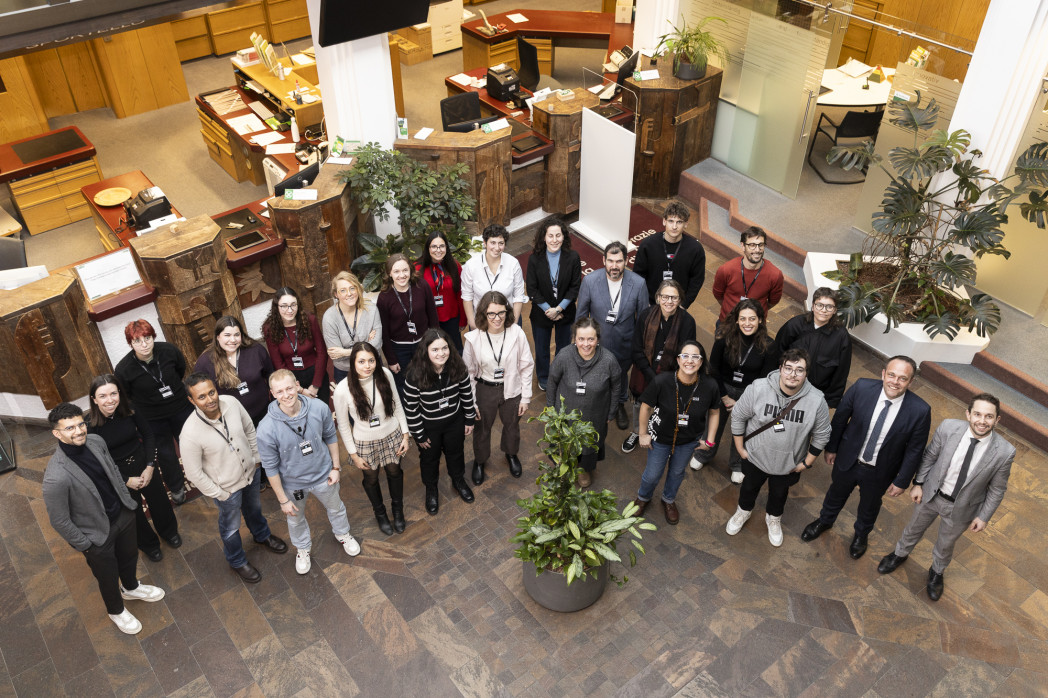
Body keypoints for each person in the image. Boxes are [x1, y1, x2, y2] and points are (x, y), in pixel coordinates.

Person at [877, 393, 1015, 602]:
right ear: (968, 414)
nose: (982, 421)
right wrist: (918, 483)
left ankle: (936, 573)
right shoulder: (949, 427)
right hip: (931, 494)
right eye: (977, 414)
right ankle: (899, 554)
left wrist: (983, 516)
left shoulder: (1005, 452)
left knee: (945, 544)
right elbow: (930, 456)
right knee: (913, 527)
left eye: (988, 417)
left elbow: (997, 489)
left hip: (962, 507)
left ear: (997, 420)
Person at [43, 403, 166, 635]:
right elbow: (59, 520)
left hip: (122, 515)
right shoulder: (56, 476)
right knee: (107, 576)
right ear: (56, 433)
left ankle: (130, 587)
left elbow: (113, 473)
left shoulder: (96, 442)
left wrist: (127, 506)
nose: (79, 431)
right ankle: (116, 610)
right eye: (70, 428)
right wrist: (87, 545)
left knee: (129, 557)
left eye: (80, 424)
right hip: (96, 535)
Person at [801, 356, 931, 559]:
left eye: (902, 378)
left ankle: (861, 535)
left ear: (911, 382)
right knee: (835, 493)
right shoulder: (862, 387)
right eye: (891, 375)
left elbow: (915, 449)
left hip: (880, 471)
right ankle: (824, 521)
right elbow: (841, 417)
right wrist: (832, 448)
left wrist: (902, 480)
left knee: (869, 506)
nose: (895, 382)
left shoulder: (920, 411)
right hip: (848, 459)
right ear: (883, 374)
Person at [179, 373, 288, 583]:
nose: (210, 399)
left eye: (212, 392)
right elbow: (194, 473)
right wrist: (220, 493)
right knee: (230, 527)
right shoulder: (189, 433)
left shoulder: (231, 402)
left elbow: (249, 430)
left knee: (254, 509)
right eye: (201, 397)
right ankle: (237, 560)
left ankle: (261, 535)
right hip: (227, 489)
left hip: (251, 473)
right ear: (191, 401)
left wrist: (257, 460)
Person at [257, 370, 361, 575]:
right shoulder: (266, 428)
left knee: (336, 508)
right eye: (279, 391)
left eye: (289, 388)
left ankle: (343, 534)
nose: (286, 395)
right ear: (272, 393)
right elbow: (270, 468)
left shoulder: (318, 407)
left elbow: (331, 436)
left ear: (297, 385)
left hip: (324, 476)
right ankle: (303, 549)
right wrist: (282, 500)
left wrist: (336, 467)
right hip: (293, 485)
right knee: (295, 519)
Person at [725, 349, 832, 546]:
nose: (793, 374)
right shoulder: (758, 388)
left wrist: (806, 463)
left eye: (799, 370)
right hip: (754, 456)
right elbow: (739, 415)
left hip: (788, 464)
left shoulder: (816, 401)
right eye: (788, 368)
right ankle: (743, 511)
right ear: (780, 369)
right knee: (748, 487)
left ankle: (773, 518)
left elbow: (823, 433)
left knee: (779, 494)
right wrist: (740, 449)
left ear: (806, 373)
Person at [87, 375, 180, 564]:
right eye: (103, 396)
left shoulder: (130, 409)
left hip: (143, 464)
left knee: (160, 502)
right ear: (94, 400)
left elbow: (148, 436)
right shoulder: (89, 427)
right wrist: (125, 480)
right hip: (118, 474)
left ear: (120, 393)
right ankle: (149, 545)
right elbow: (99, 461)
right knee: (134, 514)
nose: (110, 400)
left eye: (113, 393)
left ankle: (169, 532)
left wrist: (150, 466)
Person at [632, 340, 720, 525]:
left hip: (688, 441)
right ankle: (643, 497)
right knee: (652, 474)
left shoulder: (710, 385)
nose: (690, 361)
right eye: (685, 356)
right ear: (678, 360)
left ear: (701, 362)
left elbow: (714, 412)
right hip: (660, 439)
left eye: (695, 357)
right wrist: (642, 433)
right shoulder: (662, 381)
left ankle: (668, 500)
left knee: (677, 473)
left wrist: (710, 440)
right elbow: (646, 407)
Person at [691, 299, 779, 482]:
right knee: (713, 422)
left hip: (751, 393)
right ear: (737, 320)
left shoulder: (769, 345)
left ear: (760, 320)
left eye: (752, 319)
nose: (747, 323)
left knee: (744, 429)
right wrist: (724, 396)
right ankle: (703, 454)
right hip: (722, 388)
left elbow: (765, 380)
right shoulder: (724, 337)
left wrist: (743, 402)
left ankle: (737, 464)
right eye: (743, 319)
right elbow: (713, 368)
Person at [332, 343, 411, 534]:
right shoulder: (343, 389)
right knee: (371, 478)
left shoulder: (385, 374)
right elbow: (343, 425)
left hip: (392, 434)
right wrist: (354, 455)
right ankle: (380, 513)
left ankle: (397, 510)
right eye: (361, 361)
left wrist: (406, 434)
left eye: (371, 360)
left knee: (395, 472)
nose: (367, 365)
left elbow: (397, 405)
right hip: (364, 442)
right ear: (353, 363)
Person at [114, 319, 190, 504]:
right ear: (130, 344)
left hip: (180, 407)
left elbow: (180, 369)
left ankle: (205, 474)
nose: (144, 344)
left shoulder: (168, 350)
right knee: (165, 453)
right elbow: (126, 395)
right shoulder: (124, 369)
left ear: (153, 337)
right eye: (137, 341)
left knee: (191, 443)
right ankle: (176, 486)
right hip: (153, 417)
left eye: (147, 338)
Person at [576, 241, 649, 431]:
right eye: (610, 261)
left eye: (618, 261)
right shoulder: (590, 281)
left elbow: (643, 319)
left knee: (620, 377)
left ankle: (618, 405)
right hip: (596, 344)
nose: (614, 266)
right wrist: (579, 343)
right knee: (595, 376)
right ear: (603, 260)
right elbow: (582, 316)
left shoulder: (639, 283)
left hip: (625, 344)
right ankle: (595, 405)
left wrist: (640, 347)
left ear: (626, 261)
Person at [463, 291, 534, 484]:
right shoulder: (473, 338)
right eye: (491, 314)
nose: (497, 318)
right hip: (484, 389)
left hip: (512, 387)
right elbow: (467, 373)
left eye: (501, 313)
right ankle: (480, 461)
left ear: (507, 312)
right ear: (483, 314)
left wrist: (526, 397)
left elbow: (527, 366)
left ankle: (511, 454)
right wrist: (471, 403)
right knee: (482, 428)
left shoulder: (517, 333)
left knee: (512, 425)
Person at [403, 329, 477, 513]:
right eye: (435, 349)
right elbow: (411, 408)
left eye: (444, 348)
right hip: (429, 428)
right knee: (429, 460)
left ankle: (458, 480)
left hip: (454, 422)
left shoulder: (458, 366)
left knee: (456, 453)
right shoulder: (414, 375)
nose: (441, 353)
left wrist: (469, 419)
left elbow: (466, 394)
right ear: (425, 351)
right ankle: (431, 489)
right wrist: (419, 434)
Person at [622, 280, 696, 454]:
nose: (669, 301)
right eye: (665, 296)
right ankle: (637, 432)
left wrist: (665, 380)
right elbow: (636, 349)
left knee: (667, 408)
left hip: (671, 376)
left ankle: (660, 436)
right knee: (640, 405)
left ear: (680, 300)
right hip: (644, 373)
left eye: (674, 297)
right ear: (657, 297)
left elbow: (687, 355)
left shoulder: (687, 322)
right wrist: (651, 376)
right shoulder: (646, 315)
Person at [547, 318, 622, 488]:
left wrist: (611, 412)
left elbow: (617, 387)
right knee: (565, 445)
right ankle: (566, 466)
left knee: (588, 448)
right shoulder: (564, 356)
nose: (586, 344)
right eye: (581, 339)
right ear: (575, 339)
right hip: (565, 416)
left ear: (598, 339)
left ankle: (583, 470)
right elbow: (552, 382)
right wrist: (551, 409)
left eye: (591, 339)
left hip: (594, 417)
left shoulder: (609, 361)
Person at [526, 215, 582, 391]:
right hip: (541, 313)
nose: (554, 240)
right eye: (550, 235)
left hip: (565, 312)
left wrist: (559, 309)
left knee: (563, 349)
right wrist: (548, 310)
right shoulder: (534, 259)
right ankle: (543, 377)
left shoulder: (573, 257)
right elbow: (532, 289)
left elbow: (575, 287)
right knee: (541, 350)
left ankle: (559, 375)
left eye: (558, 235)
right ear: (544, 237)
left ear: (564, 236)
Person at [774, 288, 851, 408]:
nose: (823, 310)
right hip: (787, 386)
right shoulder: (795, 325)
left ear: (835, 310)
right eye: (819, 305)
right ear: (813, 306)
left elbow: (841, 372)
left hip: (814, 394)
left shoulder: (841, 336)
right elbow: (777, 352)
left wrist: (831, 401)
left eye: (829, 307)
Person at [377, 253, 439, 399]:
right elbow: (384, 332)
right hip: (400, 349)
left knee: (429, 379)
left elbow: (433, 316)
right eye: (396, 271)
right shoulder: (384, 297)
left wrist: (436, 343)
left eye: (405, 270)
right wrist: (391, 360)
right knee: (404, 386)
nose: (402, 275)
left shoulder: (421, 286)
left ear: (411, 270)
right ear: (389, 274)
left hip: (424, 343)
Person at [194, 316, 274, 426]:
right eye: (227, 335)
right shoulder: (205, 362)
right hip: (232, 420)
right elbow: (200, 393)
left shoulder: (256, 350)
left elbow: (271, 375)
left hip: (265, 414)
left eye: (237, 335)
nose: (233, 340)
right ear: (218, 337)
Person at [632, 201, 706, 308]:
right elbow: (638, 275)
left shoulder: (695, 249)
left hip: (677, 305)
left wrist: (684, 305)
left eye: (679, 222)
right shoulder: (648, 245)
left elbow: (697, 279)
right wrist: (644, 301)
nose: (674, 226)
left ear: (686, 224)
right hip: (650, 303)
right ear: (664, 221)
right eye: (671, 221)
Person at [263, 287, 329, 404]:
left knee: (322, 412)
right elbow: (277, 362)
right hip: (290, 380)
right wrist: (298, 389)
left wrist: (315, 385)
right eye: (284, 306)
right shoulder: (270, 328)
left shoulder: (309, 320)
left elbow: (321, 352)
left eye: (293, 304)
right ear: (276, 307)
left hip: (316, 373)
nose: (290, 310)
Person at [460, 224, 527, 330]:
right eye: (493, 243)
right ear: (485, 243)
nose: (497, 248)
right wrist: (473, 324)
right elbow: (467, 297)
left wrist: (513, 324)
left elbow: (518, 296)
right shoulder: (471, 266)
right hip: (481, 321)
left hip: (507, 320)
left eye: (501, 243)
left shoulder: (513, 264)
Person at [711, 226, 784, 323]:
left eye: (761, 245)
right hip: (728, 323)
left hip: (755, 326)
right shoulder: (726, 269)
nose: (757, 250)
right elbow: (718, 295)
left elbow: (773, 301)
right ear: (743, 246)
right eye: (752, 245)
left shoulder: (775, 275)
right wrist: (731, 310)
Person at [322, 271, 382, 383]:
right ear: (336, 294)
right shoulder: (329, 318)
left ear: (358, 289)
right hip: (345, 371)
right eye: (343, 290)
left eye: (352, 288)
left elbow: (376, 345)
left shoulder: (371, 309)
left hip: (372, 366)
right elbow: (336, 356)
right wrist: (366, 344)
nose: (349, 293)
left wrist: (345, 352)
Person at [416, 232, 466, 353]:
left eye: (442, 246)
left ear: (446, 248)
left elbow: (460, 293)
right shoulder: (417, 269)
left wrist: (463, 319)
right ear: (428, 248)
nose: (438, 250)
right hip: (429, 321)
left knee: (455, 352)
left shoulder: (455, 265)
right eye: (434, 246)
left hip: (451, 318)